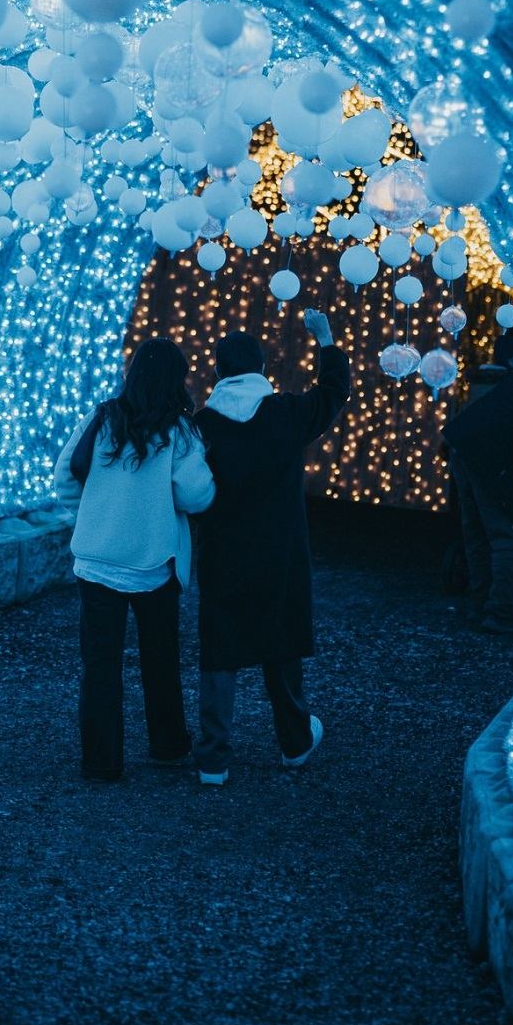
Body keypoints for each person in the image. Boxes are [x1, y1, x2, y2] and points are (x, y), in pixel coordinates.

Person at [191, 308, 351, 786]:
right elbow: (332, 393)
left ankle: (213, 759)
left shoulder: (204, 425)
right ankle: (295, 741)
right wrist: (325, 339)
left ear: (218, 371)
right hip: (280, 551)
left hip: (223, 551)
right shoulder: (286, 413)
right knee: (280, 642)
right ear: (261, 369)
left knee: (219, 647)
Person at [53, 337, 215, 783]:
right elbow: (197, 496)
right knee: (159, 658)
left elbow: (66, 475)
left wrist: (92, 513)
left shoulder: (103, 417)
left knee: (99, 666)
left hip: (96, 559)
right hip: (153, 562)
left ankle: (101, 762)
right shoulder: (179, 432)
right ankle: (167, 745)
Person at [441, 316, 513, 635]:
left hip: (464, 447)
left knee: (478, 532)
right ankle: (501, 612)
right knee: (509, 535)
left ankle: (477, 604)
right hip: (492, 458)